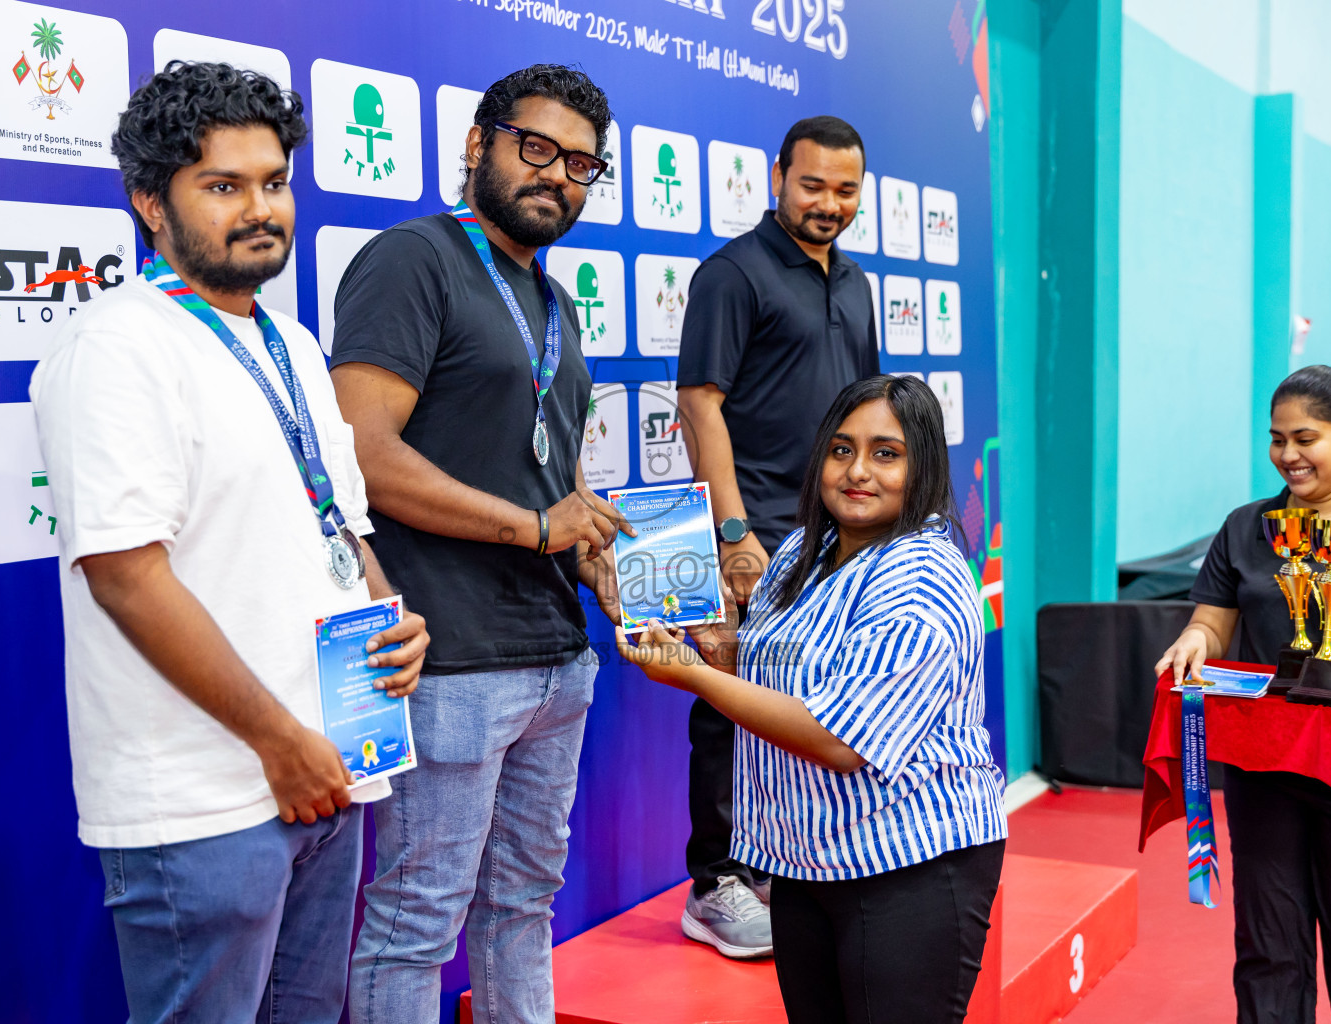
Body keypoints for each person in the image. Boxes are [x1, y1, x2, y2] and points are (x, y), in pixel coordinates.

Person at [29, 62, 429, 1023]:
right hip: (208, 800)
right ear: (150, 205)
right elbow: (128, 578)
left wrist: (391, 615)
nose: (260, 209)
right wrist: (276, 741)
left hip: (328, 767)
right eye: (223, 186)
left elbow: (336, 518)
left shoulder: (287, 342)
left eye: (274, 182)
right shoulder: (117, 345)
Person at [328, 65, 626, 1024]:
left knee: (523, 905)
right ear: (478, 143)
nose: (558, 177)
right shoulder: (412, 260)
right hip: (445, 655)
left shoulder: (554, 301)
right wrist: (540, 526)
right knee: (416, 920)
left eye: (582, 164)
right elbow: (363, 460)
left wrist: (589, 544)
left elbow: (549, 473)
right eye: (535, 148)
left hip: (554, 655)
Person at [619, 375, 1007, 1022]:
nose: (858, 471)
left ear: (924, 464)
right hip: (803, 860)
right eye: (841, 449)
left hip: (908, 862)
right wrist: (720, 649)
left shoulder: (924, 577)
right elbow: (785, 674)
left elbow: (841, 737)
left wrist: (695, 677)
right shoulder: (806, 546)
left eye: (887, 453)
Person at [673, 115, 880, 956]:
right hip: (756, 530)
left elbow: (871, 413)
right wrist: (732, 533)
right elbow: (700, 403)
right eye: (813, 184)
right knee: (728, 701)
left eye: (845, 190)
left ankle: (779, 864)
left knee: (808, 699)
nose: (828, 204)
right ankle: (715, 881)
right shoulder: (733, 274)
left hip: (839, 534)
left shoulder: (858, 282)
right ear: (776, 178)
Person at [1156, 365, 1331, 1023]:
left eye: (1306, 439)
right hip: (1267, 764)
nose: (1288, 456)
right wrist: (1194, 644)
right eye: (1277, 440)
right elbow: (1212, 622)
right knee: (1270, 947)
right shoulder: (1248, 527)